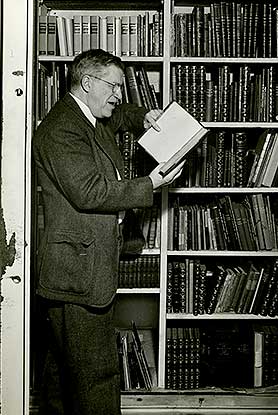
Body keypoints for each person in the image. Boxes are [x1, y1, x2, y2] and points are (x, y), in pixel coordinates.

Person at [32, 48, 184, 415]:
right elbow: (89, 192)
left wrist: (144, 115)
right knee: (96, 374)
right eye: (113, 86)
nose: (118, 94)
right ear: (87, 83)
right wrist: (151, 183)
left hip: (80, 270)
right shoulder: (62, 129)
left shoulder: (88, 116)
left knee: (61, 375)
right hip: (77, 273)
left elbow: (121, 116)